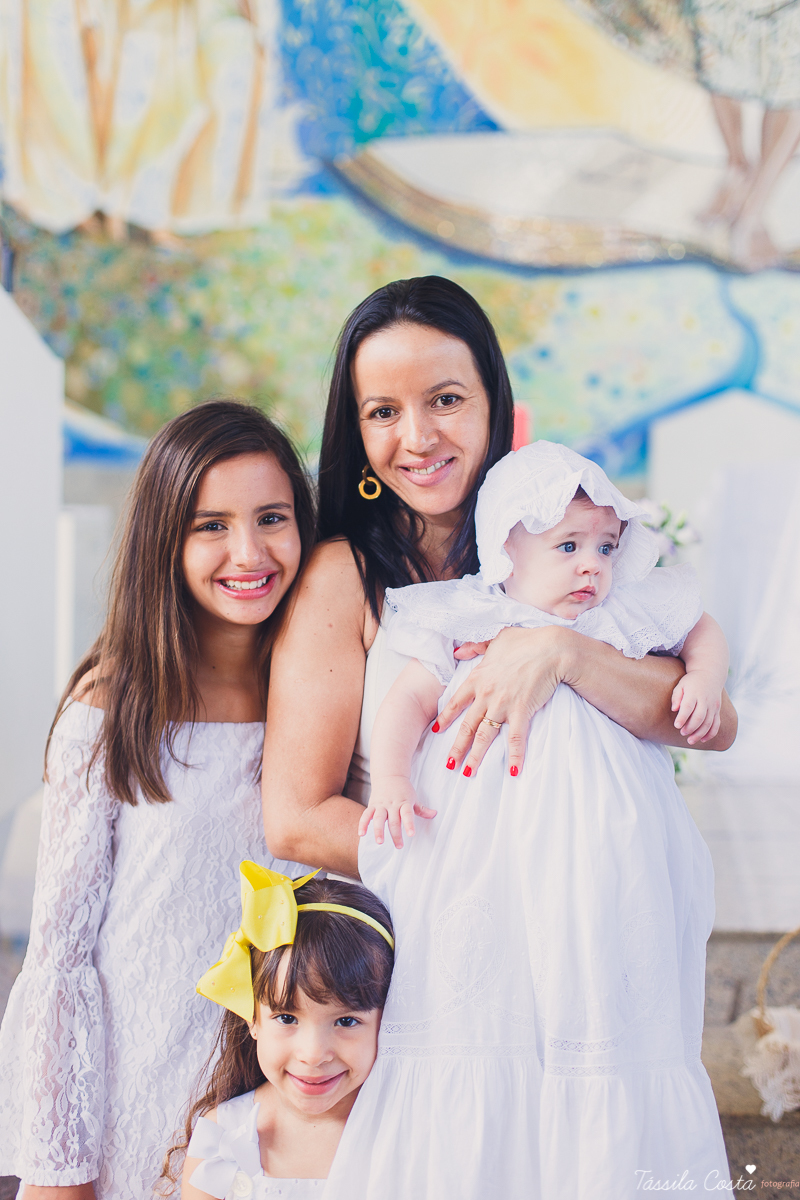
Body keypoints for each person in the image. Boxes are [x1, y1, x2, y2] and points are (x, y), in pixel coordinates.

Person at [328, 440, 730, 1198]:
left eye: (607, 547)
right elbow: (409, 700)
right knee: (489, 1004)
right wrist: (387, 781)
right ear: (505, 549)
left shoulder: (617, 615)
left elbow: (699, 627)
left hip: (605, 864)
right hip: (484, 865)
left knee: (601, 995)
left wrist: (704, 679)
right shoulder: (472, 614)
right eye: (568, 546)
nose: (592, 567)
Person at [262, 276, 737, 880]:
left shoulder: (567, 544)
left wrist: (562, 653)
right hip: (431, 929)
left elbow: (714, 723)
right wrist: (490, 886)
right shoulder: (343, 576)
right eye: (384, 412)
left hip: (580, 907)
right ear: (359, 435)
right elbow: (296, 818)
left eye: (446, 399)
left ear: (495, 404)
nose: (418, 438)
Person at [0, 401, 316, 1199]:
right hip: (133, 1099)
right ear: (162, 540)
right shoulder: (111, 707)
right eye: (210, 525)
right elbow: (60, 961)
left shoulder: (320, 697)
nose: (248, 552)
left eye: (272, 518)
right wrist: (58, 1171)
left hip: (284, 1096)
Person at [158, 866, 394, 1199]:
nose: (312, 1054)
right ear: (252, 1017)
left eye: (345, 1021)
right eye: (286, 1017)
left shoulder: (400, 1125)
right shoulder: (223, 1133)